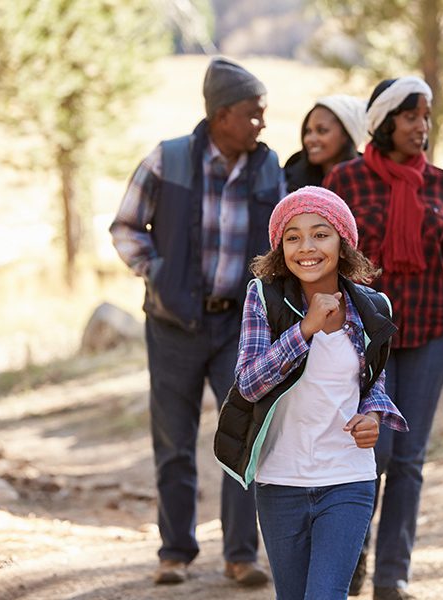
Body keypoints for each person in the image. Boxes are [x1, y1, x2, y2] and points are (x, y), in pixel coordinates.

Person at [110, 56, 281, 586]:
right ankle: (175, 553)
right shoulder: (168, 160)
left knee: (242, 435)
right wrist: (156, 274)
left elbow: (279, 239)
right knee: (175, 441)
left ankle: (239, 555)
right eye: (254, 113)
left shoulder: (266, 166)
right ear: (223, 114)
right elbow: (125, 227)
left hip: (239, 326)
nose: (262, 123)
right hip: (173, 325)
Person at [324, 76, 443, 600]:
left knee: (410, 459)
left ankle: (394, 576)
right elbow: (328, 258)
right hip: (368, 338)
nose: (422, 127)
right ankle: (352, 557)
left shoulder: (438, 182)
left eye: (427, 117)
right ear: (385, 122)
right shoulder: (345, 179)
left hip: (433, 331)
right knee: (375, 453)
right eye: (412, 116)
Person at [230, 186, 408, 599]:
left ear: (342, 243)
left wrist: (374, 417)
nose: (306, 247)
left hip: (348, 478)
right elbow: (249, 382)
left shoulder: (373, 306)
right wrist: (304, 330)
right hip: (280, 480)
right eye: (293, 236)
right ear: (280, 247)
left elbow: (372, 382)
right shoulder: (263, 297)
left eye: (320, 234)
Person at [284, 95, 367, 192]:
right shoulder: (291, 177)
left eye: (322, 131)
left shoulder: (367, 182)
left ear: (346, 135)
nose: (309, 139)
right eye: (308, 131)